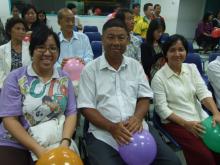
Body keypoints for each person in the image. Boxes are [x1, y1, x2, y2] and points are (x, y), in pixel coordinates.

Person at [77, 18, 181, 165]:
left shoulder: (135, 66)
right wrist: (111, 127)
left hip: (138, 129)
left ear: (128, 40)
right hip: (104, 133)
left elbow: (144, 98)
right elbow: (86, 107)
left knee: (172, 162)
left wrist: (138, 118)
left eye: (121, 38)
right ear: (102, 39)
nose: (116, 43)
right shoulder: (89, 70)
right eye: (110, 37)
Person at [0, 25, 78, 164]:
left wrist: (65, 143)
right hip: (15, 142)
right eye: (41, 47)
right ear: (31, 51)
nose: (47, 53)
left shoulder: (64, 78)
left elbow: (71, 112)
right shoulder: (16, 78)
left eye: (53, 48)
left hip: (53, 140)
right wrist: (39, 150)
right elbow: (10, 120)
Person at [151, 34, 220, 165]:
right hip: (177, 123)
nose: (177, 54)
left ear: (186, 52)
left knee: (217, 151)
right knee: (205, 157)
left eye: (181, 49)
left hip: (201, 117)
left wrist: (216, 113)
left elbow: (203, 93)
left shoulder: (191, 68)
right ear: (165, 54)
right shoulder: (159, 78)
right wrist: (186, 124)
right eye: (172, 50)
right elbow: (162, 109)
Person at [0, 17, 30, 88]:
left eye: (23, 29)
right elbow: (1, 72)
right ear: (9, 31)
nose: (21, 31)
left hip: (26, 85)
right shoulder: (1, 49)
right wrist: (7, 85)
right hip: (6, 86)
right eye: (18, 28)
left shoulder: (30, 48)